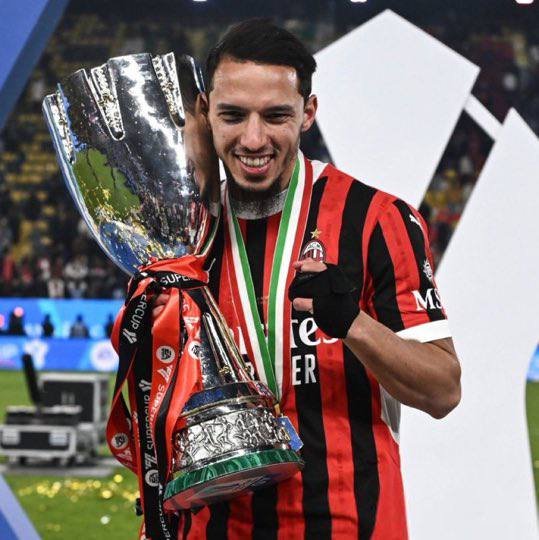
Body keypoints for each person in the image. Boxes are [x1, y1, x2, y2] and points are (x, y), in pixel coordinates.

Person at [153, 19, 461, 539]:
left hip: (350, 524)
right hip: (216, 527)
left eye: (276, 116)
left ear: (308, 112)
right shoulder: (182, 239)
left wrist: (354, 324)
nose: (254, 139)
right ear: (205, 113)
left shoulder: (376, 219)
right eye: (233, 115)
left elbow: (443, 391)